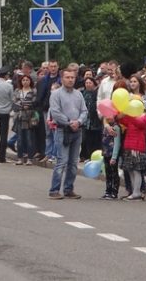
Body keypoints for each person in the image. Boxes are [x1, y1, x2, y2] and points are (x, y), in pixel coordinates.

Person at [48, 69, 88, 199]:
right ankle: (54, 190)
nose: (70, 80)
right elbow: (55, 112)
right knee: (62, 161)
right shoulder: (56, 94)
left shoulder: (78, 94)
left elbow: (84, 111)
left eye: (72, 77)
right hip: (62, 130)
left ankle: (68, 188)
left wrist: (79, 121)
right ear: (62, 78)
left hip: (77, 131)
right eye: (67, 77)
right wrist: (69, 122)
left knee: (73, 162)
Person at [117, 100, 146, 201]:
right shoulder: (132, 117)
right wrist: (120, 114)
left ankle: (137, 192)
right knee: (130, 170)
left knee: (136, 170)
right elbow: (122, 121)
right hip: (129, 145)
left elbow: (139, 124)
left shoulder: (144, 117)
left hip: (137, 147)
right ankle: (134, 191)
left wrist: (129, 115)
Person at [12, 74, 38, 164]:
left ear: (30, 81)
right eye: (23, 80)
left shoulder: (34, 91)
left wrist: (27, 104)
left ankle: (30, 158)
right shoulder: (17, 91)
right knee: (19, 139)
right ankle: (20, 157)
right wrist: (24, 104)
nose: (25, 82)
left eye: (27, 80)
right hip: (19, 117)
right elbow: (15, 102)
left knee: (29, 139)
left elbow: (34, 102)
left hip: (30, 118)